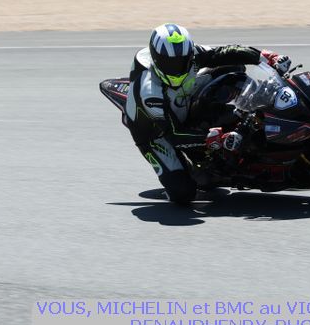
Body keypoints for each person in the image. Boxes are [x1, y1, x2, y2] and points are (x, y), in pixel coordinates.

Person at [125, 23, 292, 204]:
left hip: (184, 97)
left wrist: (266, 57)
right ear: (157, 60)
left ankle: (254, 105)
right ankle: (194, 170)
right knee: (183, 194)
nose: (177, 68)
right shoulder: (150, 92)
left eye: (182, 61)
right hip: (157, 132)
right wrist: (215, 138)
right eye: (170, 63)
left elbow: (225, 52)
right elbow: (174, 135)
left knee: (233, 66)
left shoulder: (192, 54)